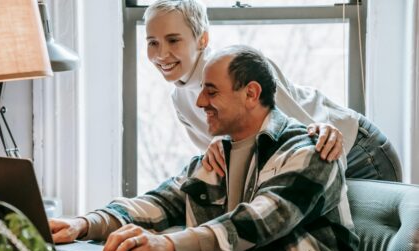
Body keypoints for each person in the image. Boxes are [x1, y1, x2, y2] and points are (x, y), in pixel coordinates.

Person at [50, 45, 364, 251]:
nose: (200, 102)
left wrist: (167, 245)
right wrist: (84, 224)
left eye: (211, 91)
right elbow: (161, 202)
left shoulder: (312, 151)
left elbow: (258, 222)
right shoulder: (218, 156)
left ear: (251, 94)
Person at [144, 0, 402, 181]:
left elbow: (295, 132)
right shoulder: (180, 98)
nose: (161, 54)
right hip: (313, 162)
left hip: (356, 150)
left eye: (173, 40)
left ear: (202, 39)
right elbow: (227, 162)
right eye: (152, 42)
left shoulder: (241, 67)